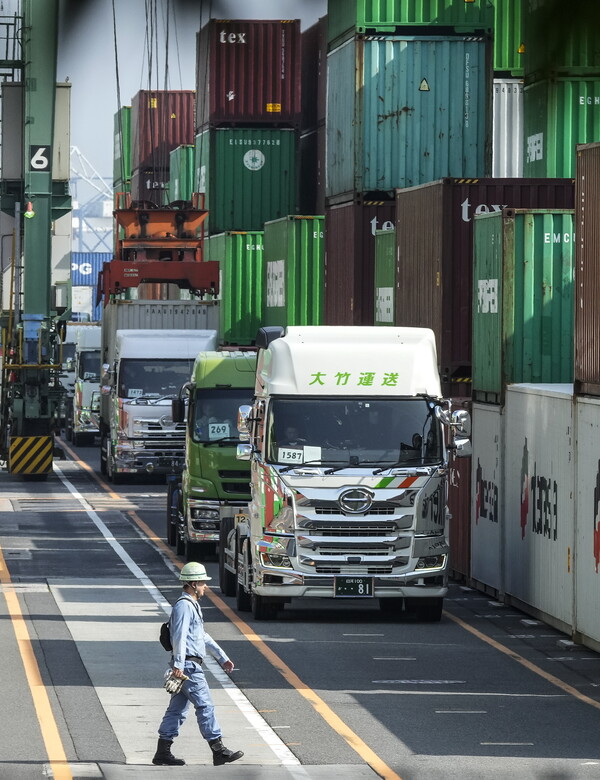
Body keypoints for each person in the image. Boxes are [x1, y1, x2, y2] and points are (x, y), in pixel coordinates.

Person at [152, 562, 244, 767]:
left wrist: (222, 657)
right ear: (193, 584)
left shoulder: (191, 605)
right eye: (202, 583)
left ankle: (162, 751)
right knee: (205, 706)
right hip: (189, 667)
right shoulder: (184, 606)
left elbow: (202, 636)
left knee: (177, 710)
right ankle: (218, 749)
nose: (205, 587)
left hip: (186, 665)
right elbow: (180, 636)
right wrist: (179, 664)